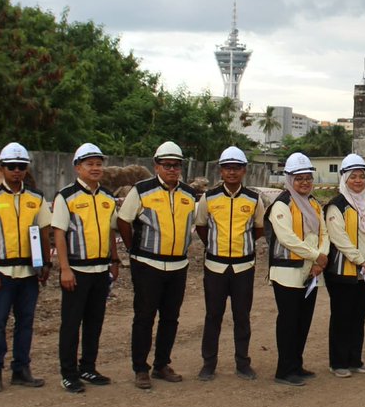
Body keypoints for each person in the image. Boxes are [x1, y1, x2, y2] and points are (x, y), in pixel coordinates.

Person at [117, 141, 198, 390]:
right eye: (167, 165)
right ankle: (141, 368)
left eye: (176, 165)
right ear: (157, 166)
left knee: (170, 318)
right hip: (147, 264)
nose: (172, 169)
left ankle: (162, 364)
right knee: (144, 317)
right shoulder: (142, 190)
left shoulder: (188, 194)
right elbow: (123, 221)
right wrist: (134, 250)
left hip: (177, 266)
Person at [0, 142, 52, 393]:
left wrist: (45, 262)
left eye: (21, 167)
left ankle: (21, 369)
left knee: (25, 322)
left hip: (28, 272)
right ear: (2, 168)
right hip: (2, 272)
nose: (17, 171)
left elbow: (44, 232)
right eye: (12, 167)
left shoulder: (36, 198)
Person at [195, 145, 265, 381]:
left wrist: (241, 247)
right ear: (221, 171)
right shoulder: (209, 198)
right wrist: (216, 247)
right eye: (227, 168)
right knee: (213, 315)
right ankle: (209, 363)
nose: (232, 173)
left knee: (242, 316)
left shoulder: (254, 199)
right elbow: (202, 227)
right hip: (215, 267)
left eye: (236, 168)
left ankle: (242, 362)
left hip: (243, 268)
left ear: (244, 171)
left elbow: (258, 229)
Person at [54, 143, 120, 393]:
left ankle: (88, 367)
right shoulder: (66, 196)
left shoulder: (107, 197)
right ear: (77, 167)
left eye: (98, 164)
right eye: (89, 164)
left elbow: (111, 231)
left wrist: (114, 260)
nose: (95, 168)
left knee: (94, 322)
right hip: (77, 270)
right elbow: (59, 234)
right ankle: (69, 373)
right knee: (71, 324)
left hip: (100, 271)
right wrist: (64, 269)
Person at [266, 152, 329, 386]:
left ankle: (297, 364)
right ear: (289, 179)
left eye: (308, 178)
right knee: (289, 321)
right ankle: (284, 369)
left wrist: (318, 261)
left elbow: (324, 233)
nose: (304, 183)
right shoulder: (282, 204)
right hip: (287, 272)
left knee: (304, 320)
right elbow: (287, 238)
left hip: (310, 272)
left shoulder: (314, 204)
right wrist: (317, 256)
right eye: (299, 178)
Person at [324, 153, 365, 378]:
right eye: (353, 177)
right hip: (342, 272)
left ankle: (355, 359)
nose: (358, 181)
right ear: (345, 179)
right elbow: (338, 238)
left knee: (359, 316)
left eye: (361, 176)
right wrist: (362, 260)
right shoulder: (336, 206)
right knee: (341, 316)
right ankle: (338, 362)